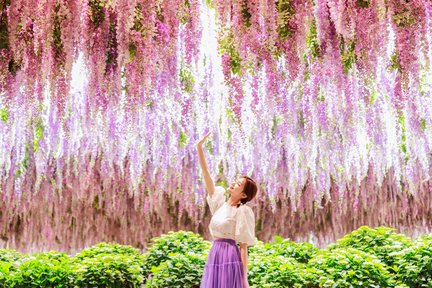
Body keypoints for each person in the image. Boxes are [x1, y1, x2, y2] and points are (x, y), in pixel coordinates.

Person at [197, 132, 258, 288]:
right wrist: (199, 149)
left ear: (243, 194)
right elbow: (206, 175)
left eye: (238, 184)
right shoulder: (219, 203)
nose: (233, 184)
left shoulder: (242, 211)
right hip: (215, 254)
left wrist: (244, 279)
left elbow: (243, 247)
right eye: (235, 181)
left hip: (230, 256)